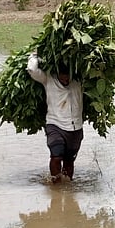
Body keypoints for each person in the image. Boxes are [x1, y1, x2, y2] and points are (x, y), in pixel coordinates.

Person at [27, 52, 84, 183]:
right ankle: (55, 185)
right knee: (56, 156)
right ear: (57, 73)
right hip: (55, 125)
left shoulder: (79, 81)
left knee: (69, 161)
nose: (66, 81)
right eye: (62, 78)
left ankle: (68, 185)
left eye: (68, 78)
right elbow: (32, 69)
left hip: (76, 128)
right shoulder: (48, 79)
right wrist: (34, 56)